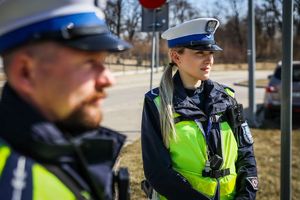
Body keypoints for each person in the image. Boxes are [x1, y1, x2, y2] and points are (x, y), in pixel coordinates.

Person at [0, 0, 131, 200]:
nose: (109, 80)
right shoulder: (14, 187)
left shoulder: (61, 148)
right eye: (89, 62)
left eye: (103, 62)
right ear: (25, 72)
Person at [141, 18, 258, 200]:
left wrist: (246, 196)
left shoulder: (227, 97)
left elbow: (246, 153)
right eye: (200, 53)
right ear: (176, 57)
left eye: (210, 52)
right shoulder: (156, 102)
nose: (209, 59)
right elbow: (157, 172)